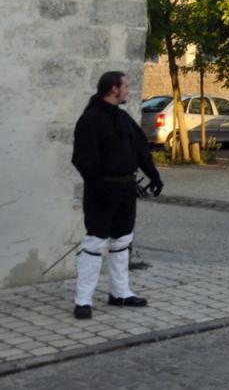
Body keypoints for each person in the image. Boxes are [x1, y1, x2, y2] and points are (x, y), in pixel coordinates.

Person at [71, 72, 162, 319]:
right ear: (113, 89)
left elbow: (141, 150)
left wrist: (154, 176)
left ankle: (120, 293)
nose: (127, 91)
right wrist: (100, 186)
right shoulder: (90, 120)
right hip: (101, 191)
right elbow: (82, 159)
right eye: (125, 86)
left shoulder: (123, 119)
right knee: (95, 243)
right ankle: (83, 300)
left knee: (122, 241)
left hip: (125, 190)